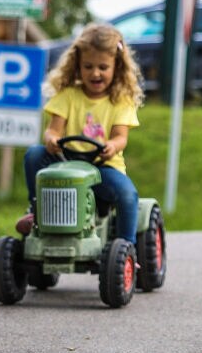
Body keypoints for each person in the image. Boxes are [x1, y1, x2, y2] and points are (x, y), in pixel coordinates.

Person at [18, 24, 145, 247]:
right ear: (78, 65)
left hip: (103, 167)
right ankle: (35, 211)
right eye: (88, 66)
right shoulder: (68, 96)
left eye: (103, 67)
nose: (95, 73)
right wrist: (51, 139)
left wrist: (112, 147)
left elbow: (120, 137)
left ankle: (127, 246)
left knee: (128, 194)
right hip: (67, 162)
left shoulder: (120, 101)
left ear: (116, 66)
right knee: (34, 154)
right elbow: (53, 130)